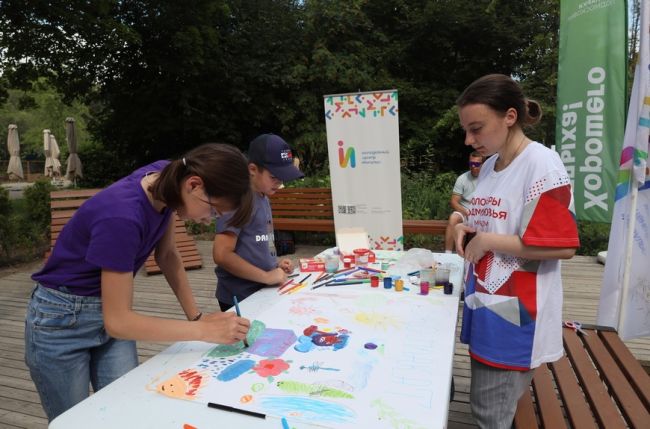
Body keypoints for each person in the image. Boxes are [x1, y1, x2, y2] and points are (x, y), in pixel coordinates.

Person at [25, 143, 254, 422]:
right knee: (75, 420)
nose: (209, 222)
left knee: (125, 414)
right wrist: (201, 330)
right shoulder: (122, 216)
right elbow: (119, 322)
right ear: (194, 185)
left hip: (109, 309)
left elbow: (168, 254)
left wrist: (197, 317)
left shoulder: (167, 177)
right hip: (60, 321)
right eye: (214, 212)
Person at [453, 74, 579, 429]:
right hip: (487, 305)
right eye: (466, 130)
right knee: (489, 407)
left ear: (510, 117)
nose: (469, 140)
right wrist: (469, 228)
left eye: (476, 128)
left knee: (490, 414)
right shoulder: (491, 164)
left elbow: (564, 245)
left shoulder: (542, 165)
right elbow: (499, 223)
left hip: (518, 317)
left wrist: (489, 241)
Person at [213, 134, 304, 312]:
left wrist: (273, 264)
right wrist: (267, 275)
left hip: (260, 289)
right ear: (252, 169)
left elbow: (256, 241)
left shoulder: (263, 194)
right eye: (274, 177)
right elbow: (222, 254)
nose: (279, 183)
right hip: (239, 297)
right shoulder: (238, 199)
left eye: (282, 177)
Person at [444, 151, 484, 253]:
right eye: (471, 164)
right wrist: (466, 212)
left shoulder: (489, 178)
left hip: (482, 212)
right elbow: (454, 202)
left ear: (483, 164)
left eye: (477, 164)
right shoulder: (462, 178)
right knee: (453, 218)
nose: (474, 167)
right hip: (465, 210)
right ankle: (448, 254)